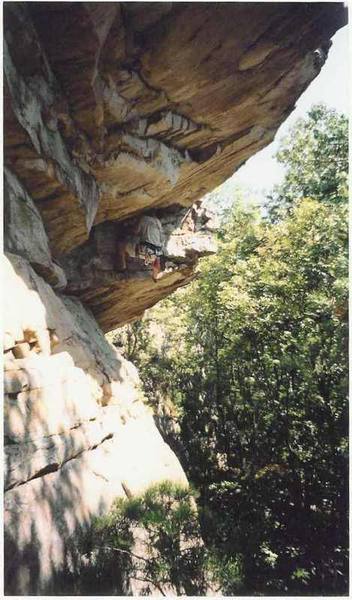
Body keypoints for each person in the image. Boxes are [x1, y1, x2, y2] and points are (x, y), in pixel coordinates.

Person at [116, 213, 164, 281]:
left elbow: (135, 231)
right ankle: (155, 274)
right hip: (155, 252)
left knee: (121, 244)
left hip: (146, 250)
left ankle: (122, 268)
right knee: (153, 259)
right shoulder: (158, 222)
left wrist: (124, 228)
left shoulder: (143, 219)